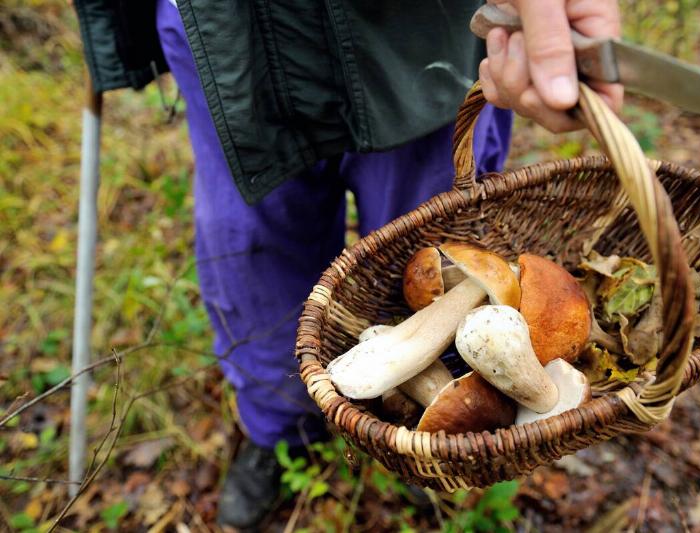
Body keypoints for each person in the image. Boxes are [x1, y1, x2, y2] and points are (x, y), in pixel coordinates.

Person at [75, 0, 620, 529]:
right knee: (254, 261)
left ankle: (437, 438)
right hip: (235, 41)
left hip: (422, 43)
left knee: (424, 229)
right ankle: (279, 432)